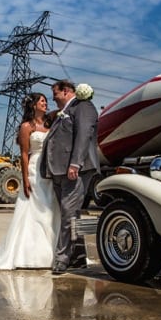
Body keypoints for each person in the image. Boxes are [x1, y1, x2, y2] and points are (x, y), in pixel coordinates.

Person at [0, 93, 61, 269]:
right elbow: (24, 154)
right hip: (34, 168)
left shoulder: (49, 123)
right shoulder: (26, 127)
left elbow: (63, 110)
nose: (45, 103)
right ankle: (29, 253)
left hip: (49, 168)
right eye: (42, 101)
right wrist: (25, 178)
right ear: (33, 105)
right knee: (34, 209)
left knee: (50, 209)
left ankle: (51, 251)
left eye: (46, 101)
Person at [40, 80, 100, 274]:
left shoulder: (82, 107)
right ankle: (79, 256)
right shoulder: (65, 111)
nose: (53, 98)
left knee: (68, 212)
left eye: (55, 93)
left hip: (75, 170)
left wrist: (76, 163)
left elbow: (83, 135)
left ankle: (62, 258)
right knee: (71, 214)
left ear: (66, 91)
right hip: (59, 171)